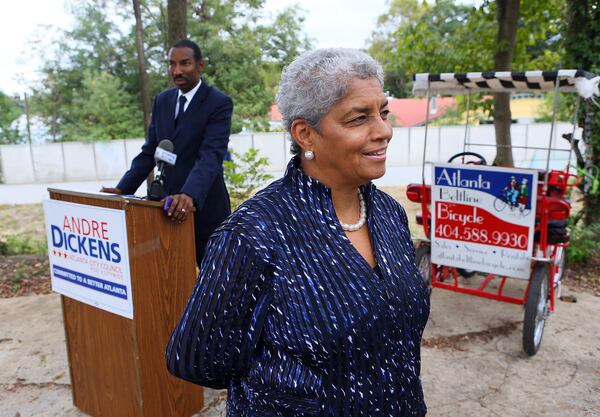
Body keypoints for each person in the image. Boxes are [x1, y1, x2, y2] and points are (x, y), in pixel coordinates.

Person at [166, 48, 430, 416]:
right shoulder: (254, 234)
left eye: (383, 112)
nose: (384, 130)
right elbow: (196, 360)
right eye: (359, 118)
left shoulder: (389, 214)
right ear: (305, 134)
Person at [101, 39, 232, 266]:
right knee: (171, 276)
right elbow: (150, 150)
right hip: (164, 208)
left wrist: (189, 195)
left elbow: (210, 155)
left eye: (185, 63)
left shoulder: (218, 103)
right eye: (172, 64)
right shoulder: (162, 100)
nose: (177, 71)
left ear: (200, 65)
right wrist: (123, 188)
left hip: (204, 209)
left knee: (213, 278)